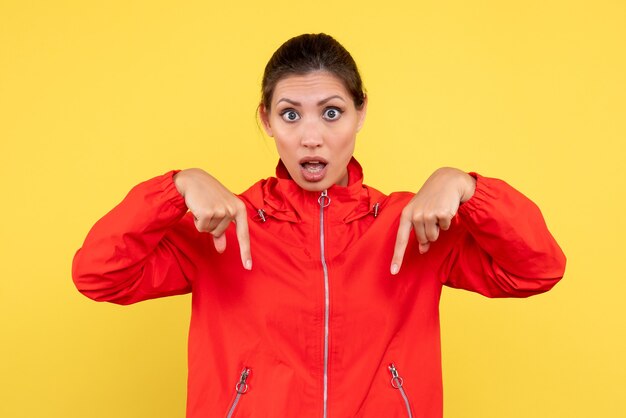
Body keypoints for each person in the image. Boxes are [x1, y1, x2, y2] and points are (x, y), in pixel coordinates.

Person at [72, 33, 566, 418]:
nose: (312, 137)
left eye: (332, 113)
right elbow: (97, 274)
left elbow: (537, 269)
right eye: (291, 114)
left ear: (360, 112)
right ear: (266, 120)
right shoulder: (221, 228)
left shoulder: (413, 225)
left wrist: (467, 188)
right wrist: (176, 186)